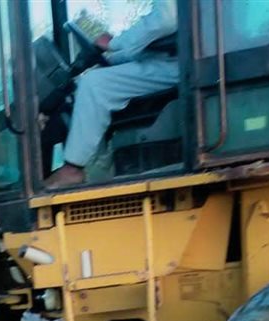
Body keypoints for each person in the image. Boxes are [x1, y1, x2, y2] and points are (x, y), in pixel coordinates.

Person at [44, 0, 179, 189]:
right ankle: (96, 167)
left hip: (185, 65)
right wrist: (113, 57)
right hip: (177, 59)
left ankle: (72, 170)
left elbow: (166, 19)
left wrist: (114, 43)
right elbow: (156, 41)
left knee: (94, 84)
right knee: (92, 80)